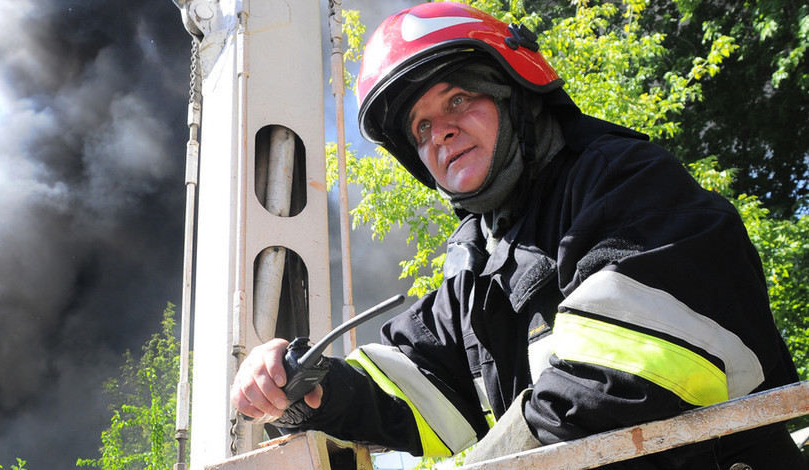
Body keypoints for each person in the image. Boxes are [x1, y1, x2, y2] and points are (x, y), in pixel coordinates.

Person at [231, 3, 807, 468]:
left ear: (516, 99)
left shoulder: (625, 184)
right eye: (422, 126)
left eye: (458, 99)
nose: (441, 133)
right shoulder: (478, 262)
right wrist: (307, 387)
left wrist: (486, 462)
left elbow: (617, 384)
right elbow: (424, 389)